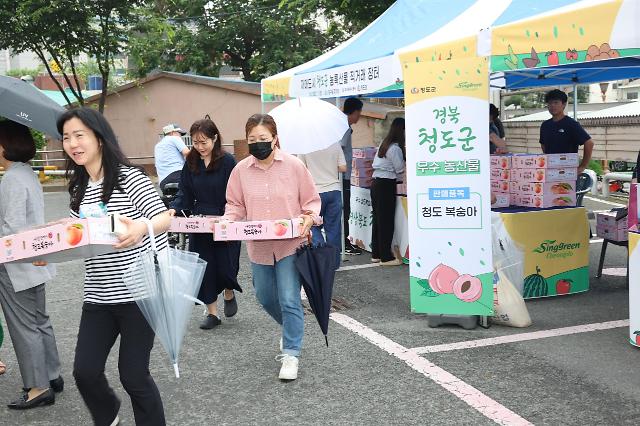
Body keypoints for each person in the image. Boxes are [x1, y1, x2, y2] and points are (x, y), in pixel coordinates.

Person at [58, 107, 171, 426]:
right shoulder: (79, 188)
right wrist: (48, 251)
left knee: (134, 375)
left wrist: (139, 228)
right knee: (85, 371)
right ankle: (109, 417)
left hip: (140, 292)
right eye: (67, 137)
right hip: (98, 295)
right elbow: (78, 238)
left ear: (99, 137)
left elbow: (164, 217)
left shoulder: (128, 177)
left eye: (79, 135)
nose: (73, 143)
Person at [223, 114, 320, 381]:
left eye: (263, 139)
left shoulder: (294, 166)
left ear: (275, 138)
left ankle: (291, 352)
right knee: (265, 297)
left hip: (291, 244)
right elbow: (235, 204)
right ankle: (291, 328)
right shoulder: (240, 170)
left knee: (289, 298)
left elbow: (311, 201)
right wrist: (228, 223)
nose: (258, 144)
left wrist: (309, 217)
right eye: (252, 139)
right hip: (259, 246)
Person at [0, 120, 62, 410]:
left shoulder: (11, 179)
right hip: (35, 259)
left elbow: (10, 227)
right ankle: (51, 374)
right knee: (40, 320)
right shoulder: (27, 173)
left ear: (4, 146)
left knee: (24, 326)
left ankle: (38, 388)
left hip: (16, 262)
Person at [170, 118, 242, 330]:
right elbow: (184, 191)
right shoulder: (191, 162)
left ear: (215, 139)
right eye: (195, 143)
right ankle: (212, 313)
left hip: (225, 219)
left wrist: (230, 215)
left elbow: (236, 193)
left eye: (204, 142)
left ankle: (229, 289)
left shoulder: (228, 161)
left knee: (227, 264)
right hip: (200, 222)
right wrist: (175, 208)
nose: (200, 148)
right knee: (204, 267)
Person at [297, 142, 346, 269]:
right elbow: (343, 167)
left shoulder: (305, 147)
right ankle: (334, 263)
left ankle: (321, 256)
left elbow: (300, 169)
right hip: (334, 190)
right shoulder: (335, 144)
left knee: (313, 225)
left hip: (314, 192)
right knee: (333, 228)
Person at [370, 117, 406, 266]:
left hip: (376, 183)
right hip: (386, 185)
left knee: (378, 219)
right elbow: (400, 169)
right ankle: (386, 257)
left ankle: (377, 254)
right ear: (402, 130)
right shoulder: (395, 148)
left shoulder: (384, 144)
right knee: (386, 221)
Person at [540, 89, 594, 173]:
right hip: (550, 170)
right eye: (550, 103)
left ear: (564, 104)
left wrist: (582, 166)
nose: (552, 105)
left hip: (568, 171)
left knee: (565, 187)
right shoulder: (545, 125)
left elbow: (589, 143)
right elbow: (543, 144)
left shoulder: (571, 124)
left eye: (556, 102)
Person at [340, 97, 364, 255]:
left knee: (344, 209)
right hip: (342, 175)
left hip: (343, 174)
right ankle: (345, 243)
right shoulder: (343, 127)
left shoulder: (343, 125)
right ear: (353, 112)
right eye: (359, 112)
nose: (360, 116)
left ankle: (344, 242)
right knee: (345, 209)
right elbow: (341, 147)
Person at [154, 123, 190, 191]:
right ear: (172, 132)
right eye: (179, 133)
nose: (180, 136)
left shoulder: (157, 146)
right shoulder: (174, 138)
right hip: (177, 175)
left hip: (163, 182)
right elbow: (187, 153)